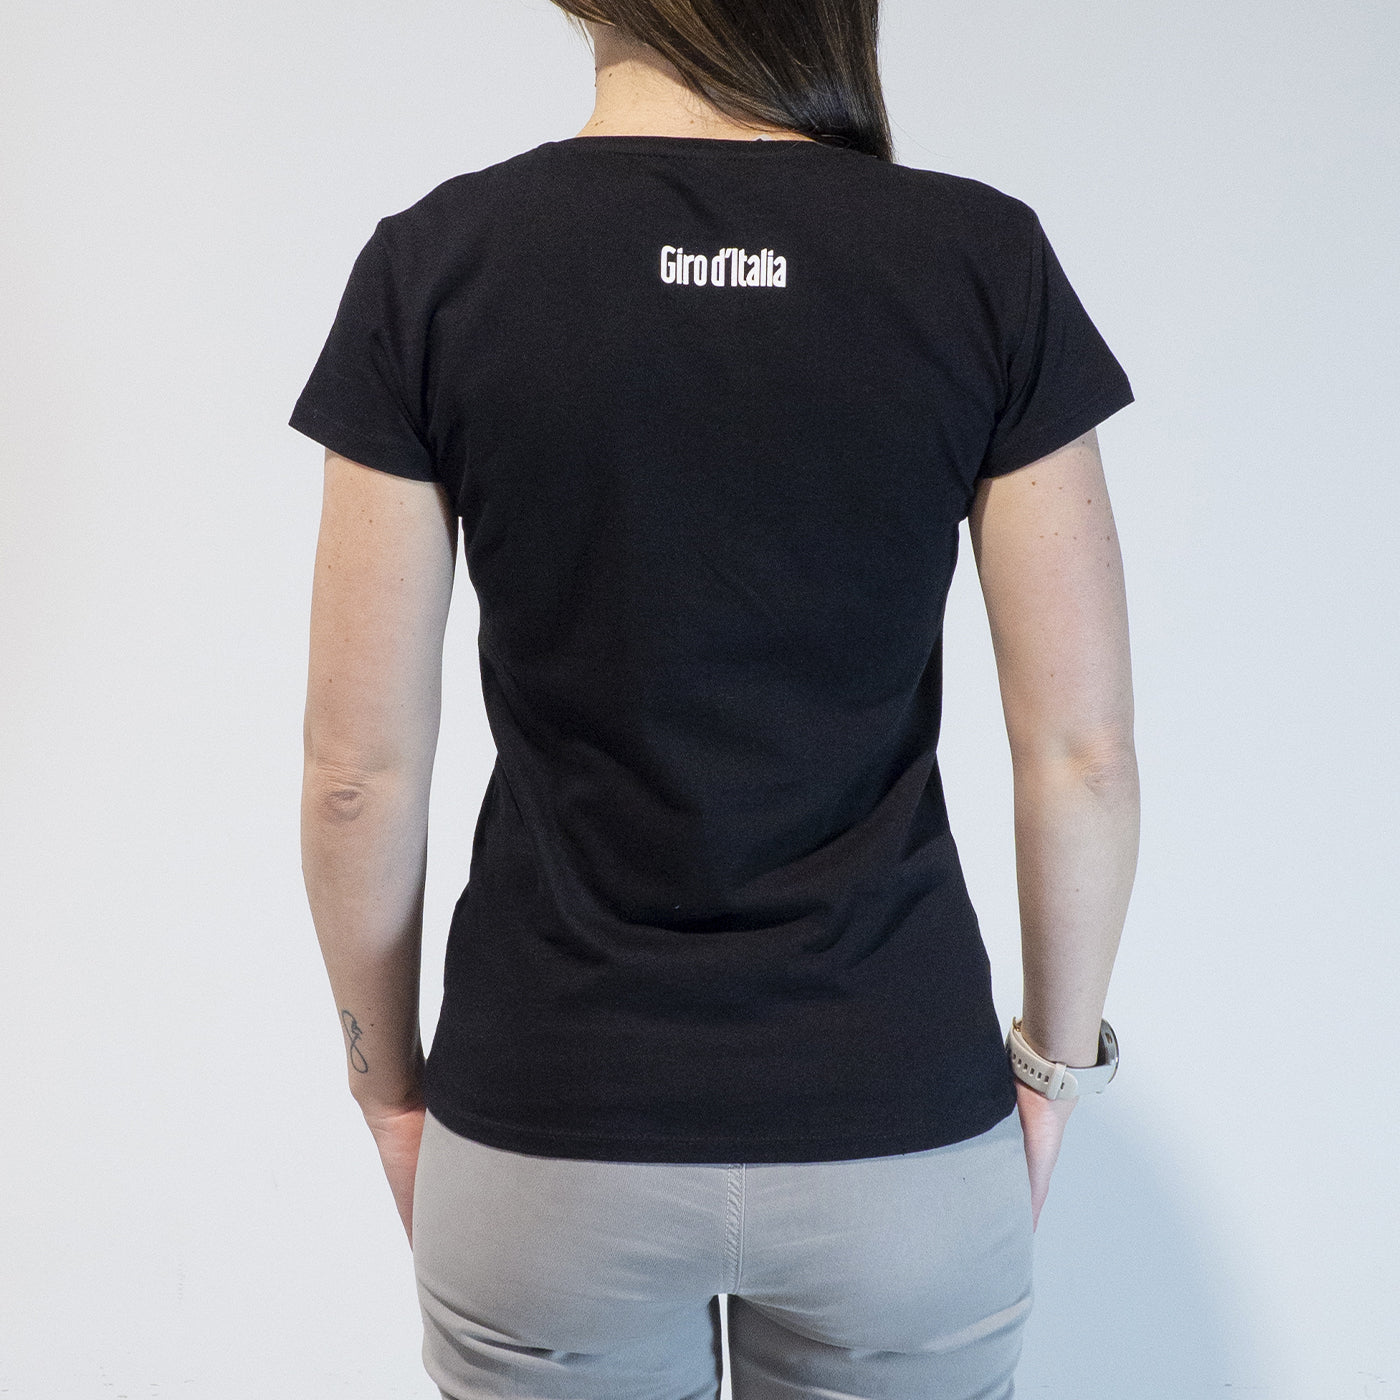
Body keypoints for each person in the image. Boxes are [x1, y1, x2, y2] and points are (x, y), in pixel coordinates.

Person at [291, 2, 1140, 1396]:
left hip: (549, 1128)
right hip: (898, 1127)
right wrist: (1053, 1076)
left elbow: (354, 773)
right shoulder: (979, 260)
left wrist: (386, 1089)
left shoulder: (437, 265)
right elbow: (1083, 755)